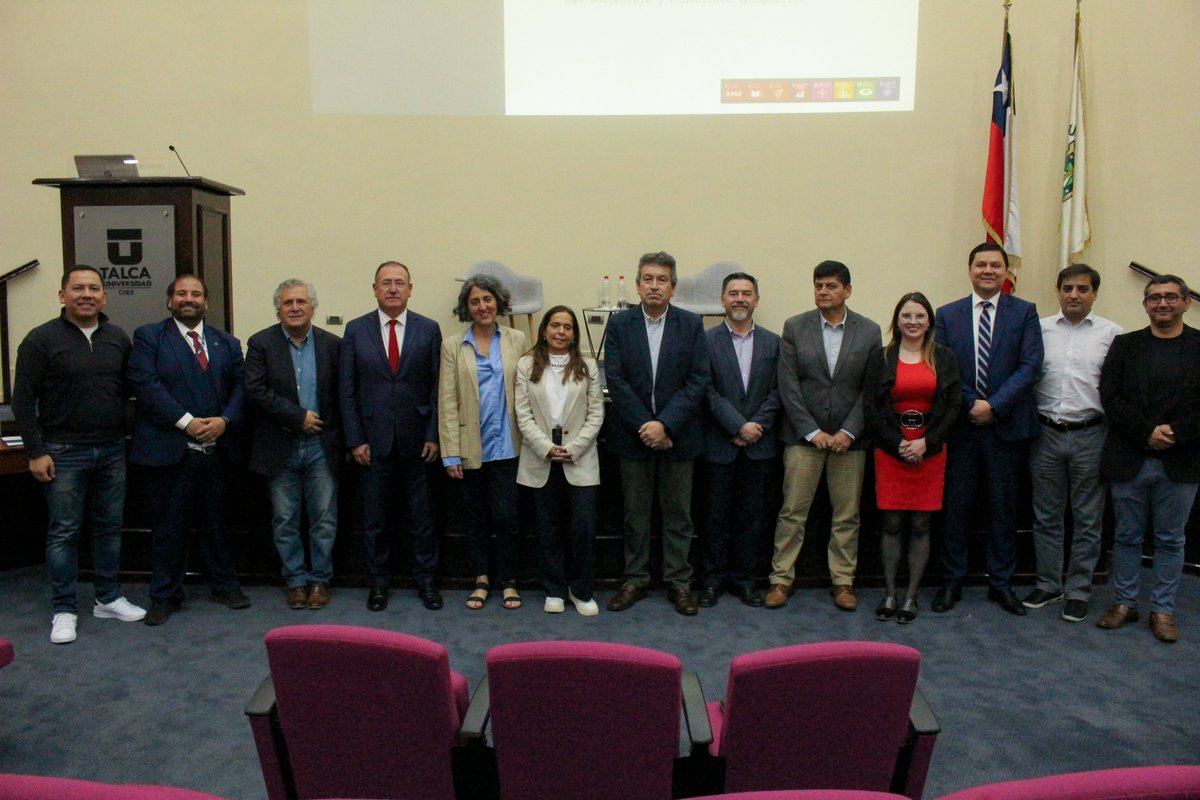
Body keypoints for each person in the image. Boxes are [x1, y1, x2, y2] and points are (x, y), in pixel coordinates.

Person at [12, 265, 146, 644]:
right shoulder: (40, 340)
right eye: (77, 288)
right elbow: (23, 401)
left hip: (111, 449)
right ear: (62, 296)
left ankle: (107, 597)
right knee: (64, 532)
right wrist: (36, 452)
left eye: (93, 288)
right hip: (62, 451)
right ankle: (64, 608)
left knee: (108, 527)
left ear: (104, 297)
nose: (86, 294)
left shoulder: (118, 338)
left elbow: (126, 391)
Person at [129, 274, 251, 626]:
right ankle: (165, 595)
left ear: (206, 303)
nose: (188, 299)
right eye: (181, 293)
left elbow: (242, 387)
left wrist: (225, 420)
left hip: (217, 449)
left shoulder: (226, 343)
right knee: (169, 525)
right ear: (170, 301)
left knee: (218, 523)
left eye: (196, 294)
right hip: (170, 449)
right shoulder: (150, 337)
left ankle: (225, 585)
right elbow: (146, 385)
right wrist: (186, 421)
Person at [933, 242, 1043, 616]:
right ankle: (951, 582)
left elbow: (1030, 366)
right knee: (956, 510)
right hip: (961, 429)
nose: (988, 270)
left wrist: (993, 406)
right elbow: (944, 368)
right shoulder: (947, 315)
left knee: (1004, 510)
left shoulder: (1024, 312)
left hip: (1007, 429)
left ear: (1005, 271)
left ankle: (1002, 583)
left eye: (996, 265)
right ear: (969, 270)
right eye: (981, 264)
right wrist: (972, 404)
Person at [767, 260, 881, 612]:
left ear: (848, 290)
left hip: (851, 442)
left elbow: (870, 389)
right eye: (818, 285)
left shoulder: (870, 331)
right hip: (804, 440)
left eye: (831, 286)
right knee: (792, 513)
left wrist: (848, 431)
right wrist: (812, 431)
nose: (823, 292)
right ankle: (780, 580)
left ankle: (843, 582)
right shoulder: (795, 327)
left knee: (847, 516)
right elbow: (788, 385)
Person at [604, 251, 709, 616]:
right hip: (631, 437)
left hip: (678, 437)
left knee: (678, 514)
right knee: (635, 514)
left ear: (673, 287)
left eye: (661, 279)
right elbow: (615, 381)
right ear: (637, 285)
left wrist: (665, 425)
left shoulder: (692, 325)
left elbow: (698, 381)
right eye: (647, 279)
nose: (654, 285)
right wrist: (645, 426)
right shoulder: (619, 325)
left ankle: (679, 582)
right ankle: (635, 579)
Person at [1097, 274, 1199, 643]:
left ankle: (1163, 609)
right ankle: (1124, 603)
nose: (1163, 304)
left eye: (1171, 297)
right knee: (1126, 536)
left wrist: (1174, 433)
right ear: (1145, 305)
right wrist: (1146, 432)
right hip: (1130, 456)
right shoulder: (1125, 346)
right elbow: (1110, 396)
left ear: (1186, 302)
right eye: (1155, 298)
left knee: (1171, 540)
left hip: (1182, 459)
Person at [340, 261, 443, 611]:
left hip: (419, 441)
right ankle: (379, 583)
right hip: (372, 440)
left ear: (411, 289)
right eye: (386, 283)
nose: (393, 288)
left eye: (400, 283)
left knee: (423, 517)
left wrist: (434, 434)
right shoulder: (355, 330)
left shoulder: (429, 329)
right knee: (375, 518)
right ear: (374, 288)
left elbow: (437, 388)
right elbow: (347, 390)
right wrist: (355, 440)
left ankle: (427, 582)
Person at [1023, 264, 1122, 623]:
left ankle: (1079, 590)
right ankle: (1049, 584)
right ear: (1058, 291)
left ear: (1094, 294)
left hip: (1091, 434)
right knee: (1046, 516)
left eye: (1082, 289)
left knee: (1087, 518)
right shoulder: (1040, 329)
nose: (1074, 295)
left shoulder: (1113, 334)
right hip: (1046, 433)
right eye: (1067, 288)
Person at [245, 279, 343, 610]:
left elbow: (344, 394)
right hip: (279, 445)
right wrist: (297, 416)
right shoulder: (261, 343)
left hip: (321, 446)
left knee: (324, 519)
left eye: (301, 301)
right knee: (285, 519)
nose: (295, 307)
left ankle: (319, 581)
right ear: (278, 309)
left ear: (313, 307)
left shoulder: (333, 345)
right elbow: (256, 391)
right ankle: (296, 581)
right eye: (288, 303)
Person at [864, 292, 961, 624]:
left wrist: (925, 442)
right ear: (897, 320)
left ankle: (910, 597)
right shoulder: (882, 357)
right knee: (891, 523)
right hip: (891, 451)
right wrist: (899, 444)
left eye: (919, 316)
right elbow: (871, 408)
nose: (913, 322)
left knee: (921, 524)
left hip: (929, 452)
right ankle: (890, 593)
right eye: (906, 315)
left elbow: (952, 407)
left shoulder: (943, 357)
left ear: (929, 321)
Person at [439, 273, 528, 610]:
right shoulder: (452, 346)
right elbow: (447, 400)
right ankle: (480, 579)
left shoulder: (518, 340)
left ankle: (509, 580)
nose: (482, 306)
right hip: (469, 448)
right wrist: (450, 453)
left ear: (498, 302)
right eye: (475, 301)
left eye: (487, 299)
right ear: (467, 307)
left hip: (509, 446)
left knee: (506, 517)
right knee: (474, 518)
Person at [696, 270, 780, 608]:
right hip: (719, 445)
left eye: (746, 293)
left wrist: (755, 426)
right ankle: (712, 580)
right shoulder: (705, 341)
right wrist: (737, 425)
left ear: (756, 300)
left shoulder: (775, 342)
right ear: (722, 300)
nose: (740, 299)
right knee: (713, 518)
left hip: (760, 446)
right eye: (733, 293)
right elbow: (706, 390)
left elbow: (778, 391)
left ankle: (745, 581)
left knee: (752, 518)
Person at [515, 305, 605, 615]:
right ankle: (554, 589)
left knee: (582, 526)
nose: (561, 332)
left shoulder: (588, 366)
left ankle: (580, 590)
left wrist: (575, 447)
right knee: (548, 526)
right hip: (541, 456)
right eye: (555, 325)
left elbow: (596, 413)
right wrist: (545, 447)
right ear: (544, 330)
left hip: (579, 458)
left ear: (574, 334)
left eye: (568, 327)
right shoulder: (526, 365)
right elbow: (522, 414)